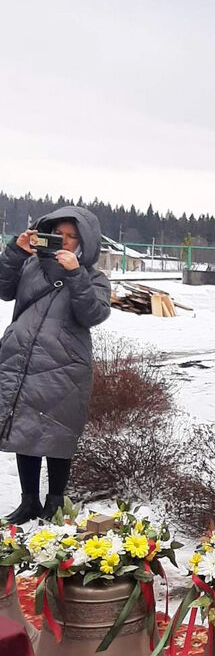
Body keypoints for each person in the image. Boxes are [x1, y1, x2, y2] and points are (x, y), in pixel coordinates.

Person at [0, 206, 111, 523]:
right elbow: (3, 289)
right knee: (25, 429)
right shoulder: (31, 266)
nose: (64, 240)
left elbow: (93, 313)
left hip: (65, 365)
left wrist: (76, 274)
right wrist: (14, 253)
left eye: (73, 236)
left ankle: (55, 502)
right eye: (58, 233)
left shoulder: (93, 277)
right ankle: (29, 501)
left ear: (84, 243)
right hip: (22, 357)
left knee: (59, 433)